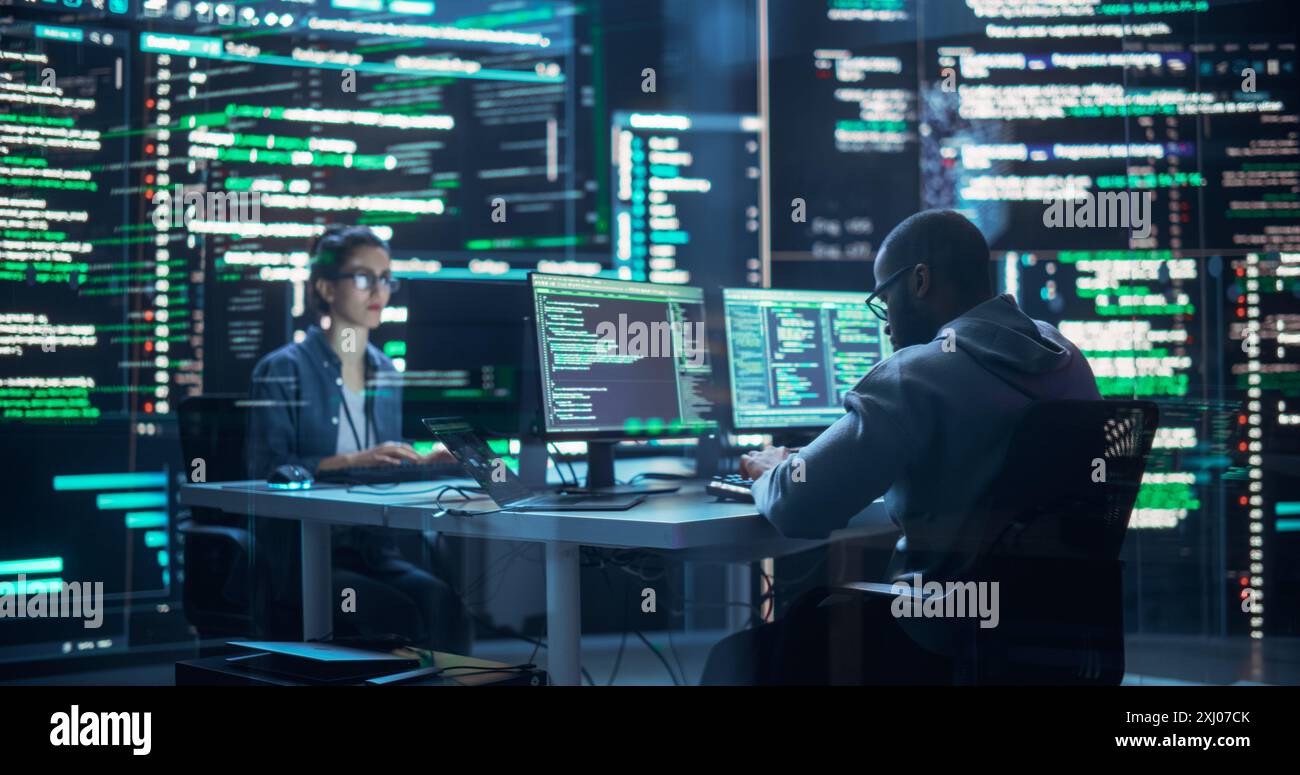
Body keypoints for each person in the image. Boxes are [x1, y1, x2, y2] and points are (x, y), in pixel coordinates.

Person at [702, 209, 1101, 684]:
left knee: (737, 660)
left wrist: (773, 468)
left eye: (883, 298)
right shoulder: (1068, 359)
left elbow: (798, 507)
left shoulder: (915, 373)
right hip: (1054, 640)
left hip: (936, 644)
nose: (886, 324)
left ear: (919, 281)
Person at [245, 224, 470, 652]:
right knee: (393, 612)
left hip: (371, 550)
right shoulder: (283, 370)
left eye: (386, 278)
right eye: (363, 277)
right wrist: (347, 462)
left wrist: (421, 460)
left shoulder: (385, 372)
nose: (379, 290)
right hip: (306, 554)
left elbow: (380, 462)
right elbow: (264, 469)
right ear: (327, 288)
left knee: (445, 603)